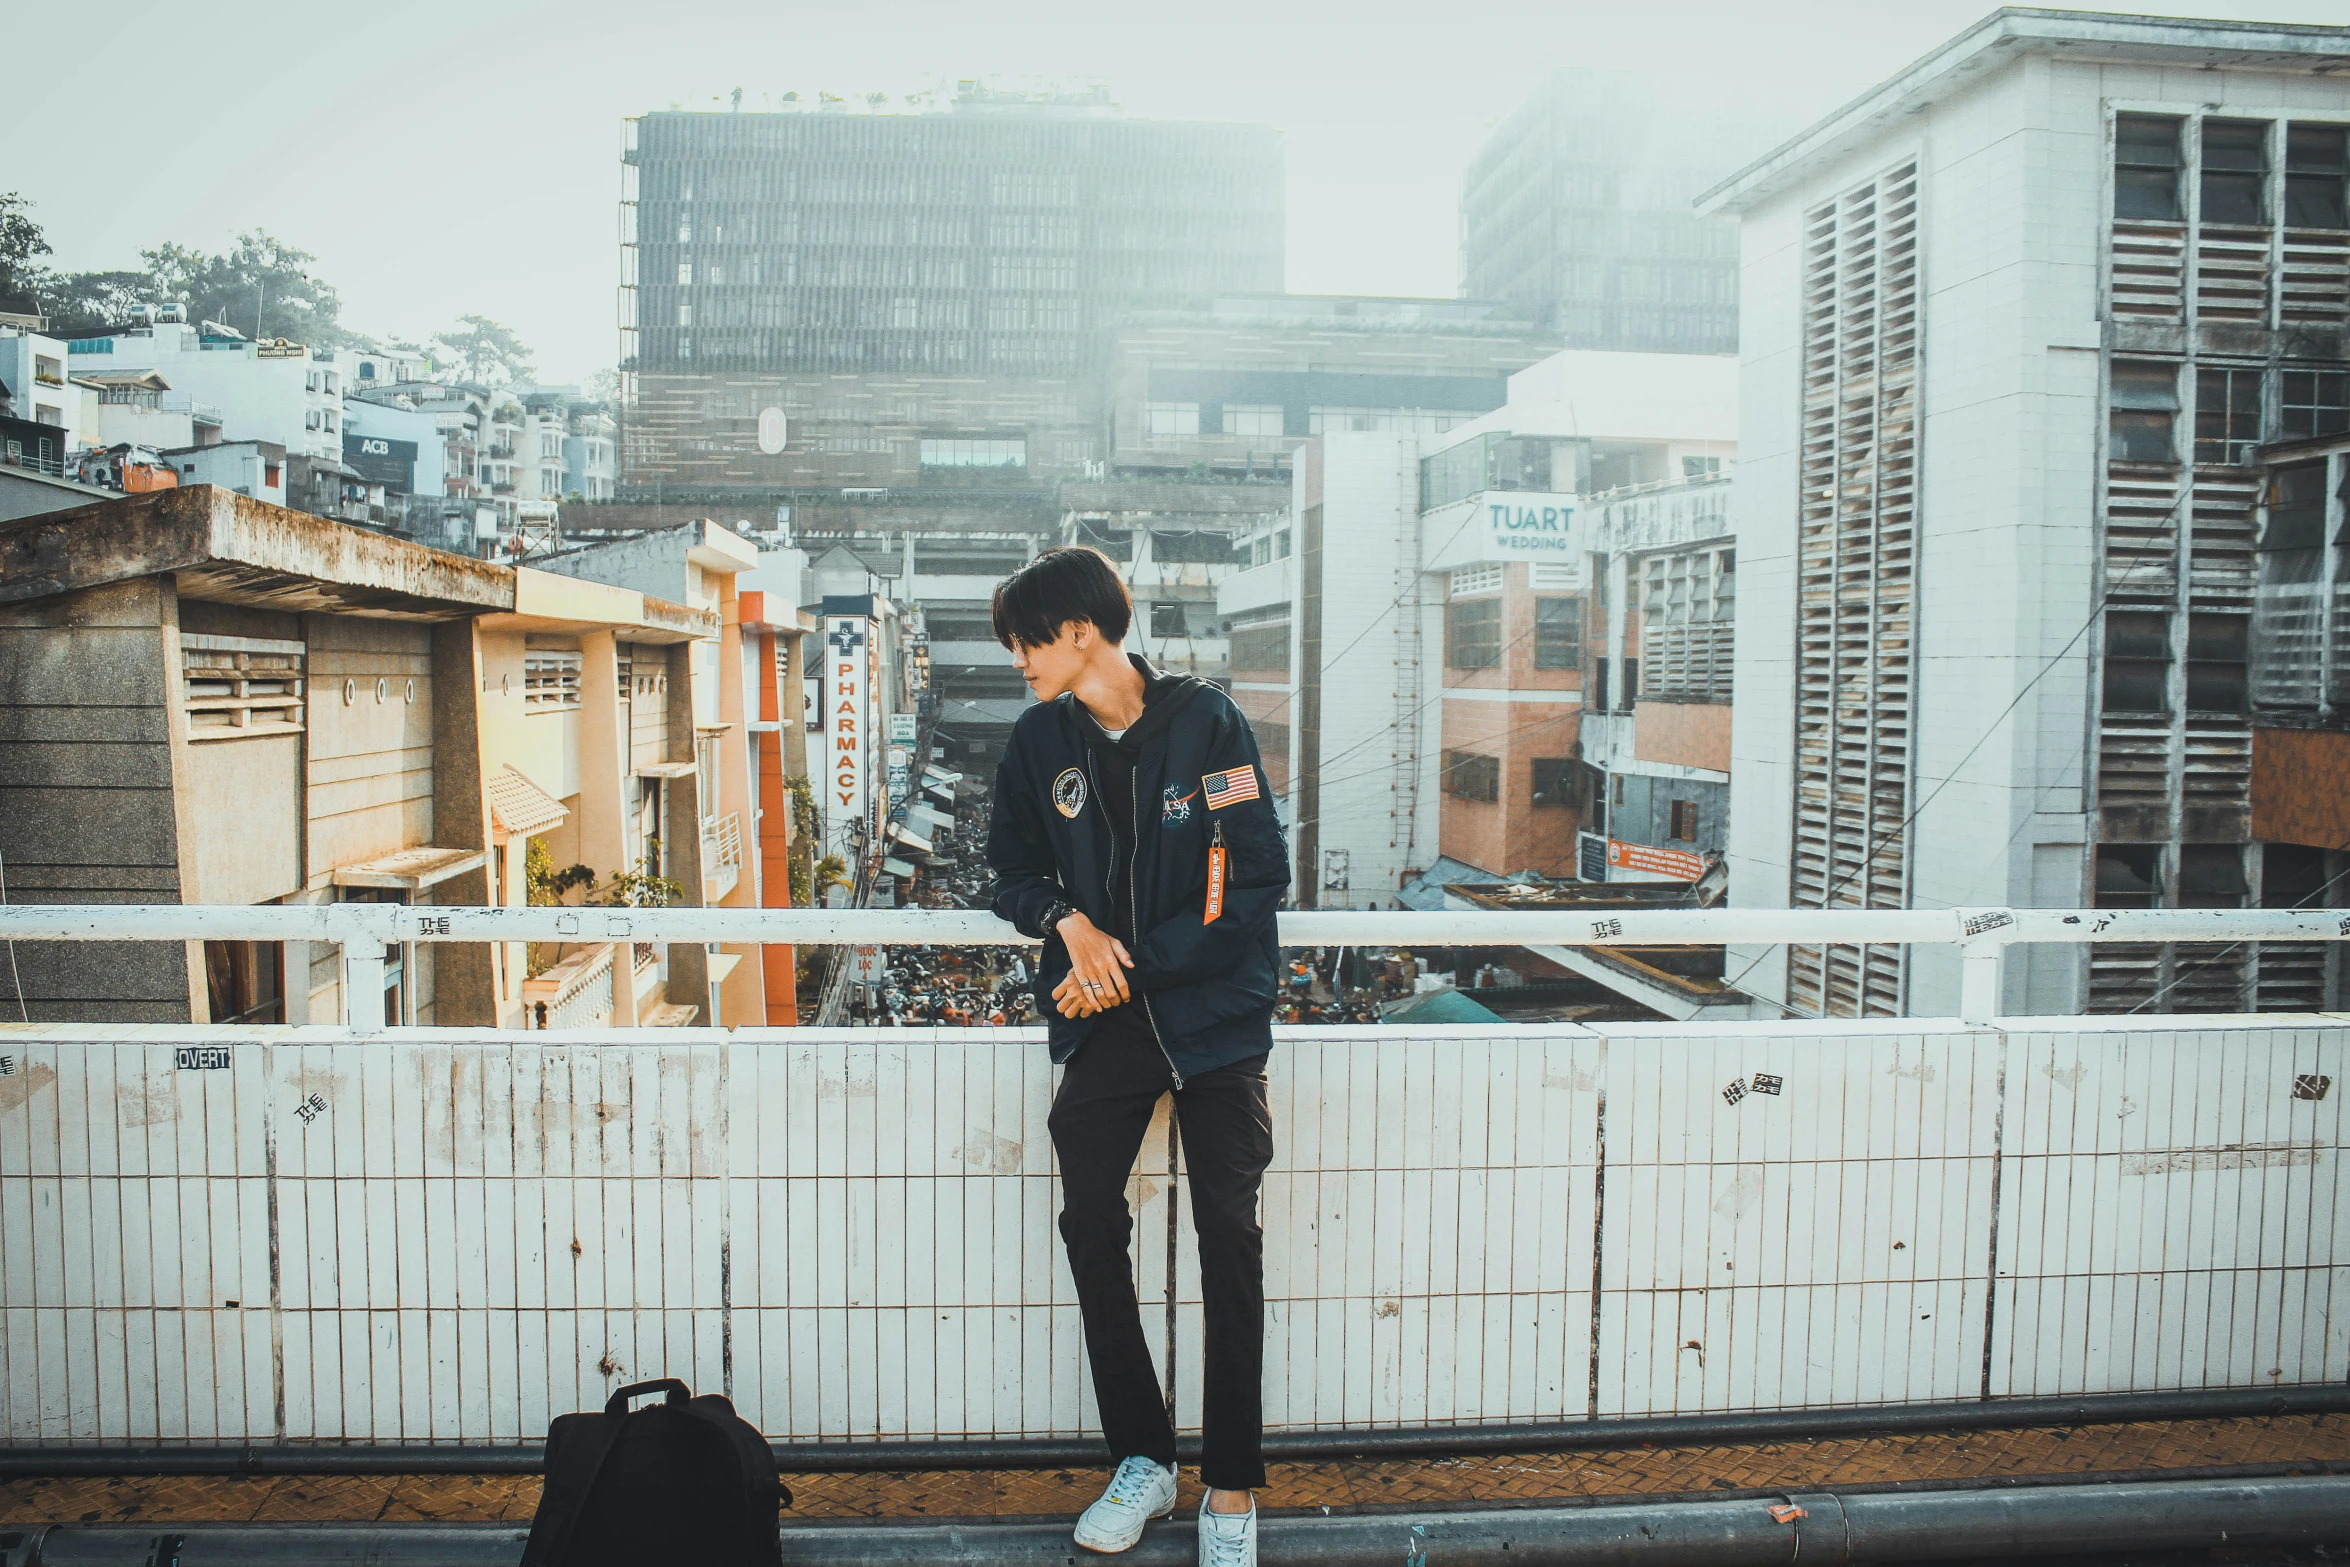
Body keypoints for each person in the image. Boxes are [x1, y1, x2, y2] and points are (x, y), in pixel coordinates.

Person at [984, 546, 1288, 1567]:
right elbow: (1009, 871)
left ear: (1079, 631)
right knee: (1087, 1221)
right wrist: (1068, 925)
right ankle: (1145, 1459)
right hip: (1107, 1025)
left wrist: (1126, 966)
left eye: (1027, 641)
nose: (1019, 660)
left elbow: (1251, 883)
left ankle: (1232, 1488)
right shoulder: (1037, 743)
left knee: (1226, 1240)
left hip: (1215, 1023)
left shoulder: (1207, 723)